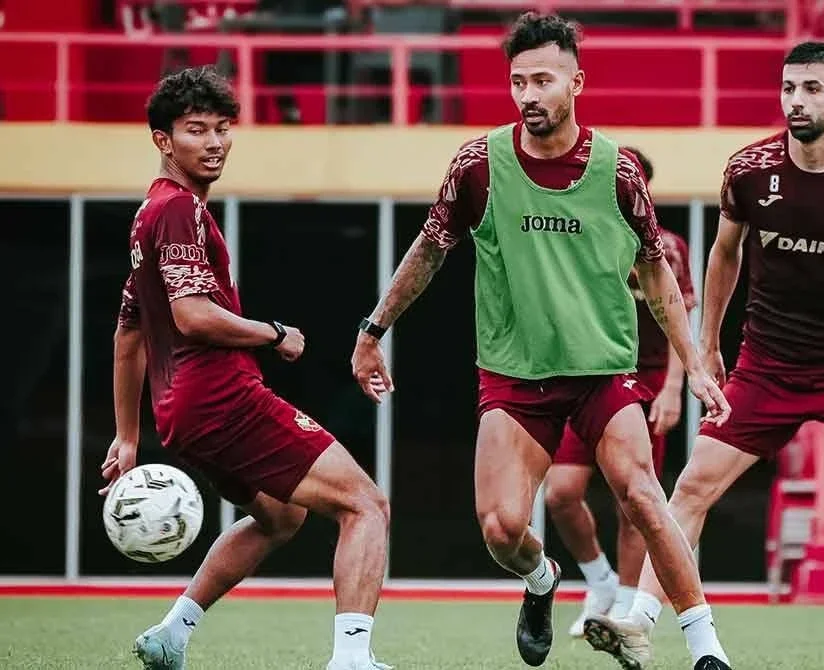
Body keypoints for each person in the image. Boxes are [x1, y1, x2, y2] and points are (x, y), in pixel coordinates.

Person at [350, 12, 734, 670]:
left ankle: (706, 648)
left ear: (576, 84)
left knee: (642, 492)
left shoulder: (617, 173)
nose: (529, 94)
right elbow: (428, 250)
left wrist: (693, 366)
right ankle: (543, 579)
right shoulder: (478, 165)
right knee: (502, 530)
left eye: (544, 80)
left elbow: (655, 269)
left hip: (603, 372)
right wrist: (372, 329)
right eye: (518, 82)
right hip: (515, 377)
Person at [585, 41, 824, 670]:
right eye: (789, 88)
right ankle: (638, 626)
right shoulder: (749, 170)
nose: (797, 100)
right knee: (691, 488)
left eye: (812, 89)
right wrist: (707, 343)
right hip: (766, 362)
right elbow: (723, 255)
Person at [100, 66, 391, 670]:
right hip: (221, 399)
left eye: (222, 128)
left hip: (182, 413)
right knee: (365, 504)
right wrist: (274, 333)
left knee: (281, 517)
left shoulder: (149, 214)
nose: (213, 142)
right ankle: (352, 660)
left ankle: (170, 634)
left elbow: (129, 333)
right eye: (194, 130)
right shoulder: (178, 210)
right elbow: (192, 316)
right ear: (163, 140)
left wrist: (129, 436)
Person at [543, 146, 698, 637]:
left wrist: (674, 388)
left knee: (633, 499)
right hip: (591, 376)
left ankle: (627, 608)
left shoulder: (665, 246)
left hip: (648, 378)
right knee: (561, 494)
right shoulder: (581, 238)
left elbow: (680, 318)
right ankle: (600, 580)